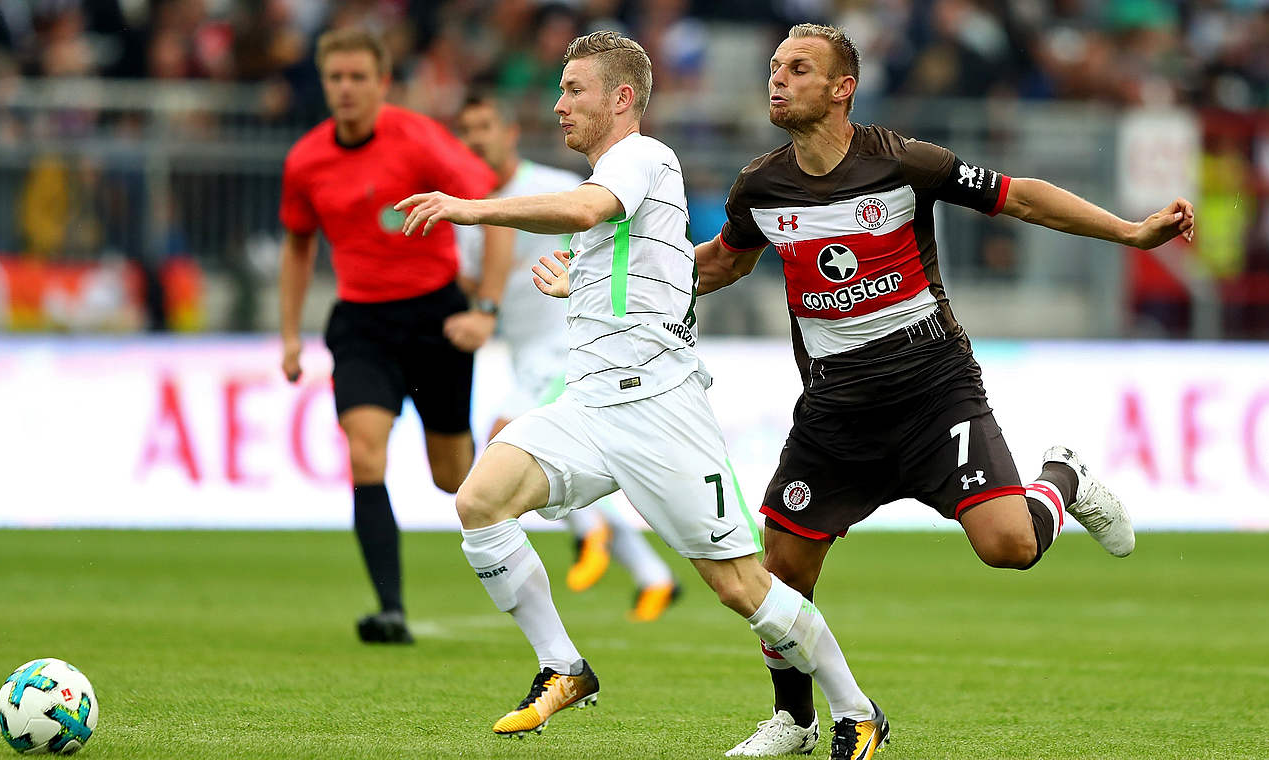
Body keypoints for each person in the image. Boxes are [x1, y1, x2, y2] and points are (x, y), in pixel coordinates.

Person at [694, 23, 1195, 759]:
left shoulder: (903, 163)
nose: (778, 79)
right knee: (782, 572)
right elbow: (724, 265)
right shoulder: (760, 187)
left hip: (934, 392)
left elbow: (1020, 198)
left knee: (1009, 548)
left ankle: (1065, 477)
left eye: (799, 69)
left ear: (842, 89)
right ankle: (795, 720)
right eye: (774, 67)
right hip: (835, 413)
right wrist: (622, 282)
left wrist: (1130, 232)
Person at [396, 31, 886, 757]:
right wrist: (581, 283)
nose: (559, 105)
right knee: (479, 502)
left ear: (621, 99)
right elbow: (644, 267)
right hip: (589, 404)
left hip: (660, 409)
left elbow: (586, 211)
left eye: (574, 90)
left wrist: (472, 208)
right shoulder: (621, 179)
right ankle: (562, 668)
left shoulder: (642, 156)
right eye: (560, 89)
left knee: (742, 588)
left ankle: (856, 709)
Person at [277, 27, 505, 645]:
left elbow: (491, 203)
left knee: (452, 480)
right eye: (335, 78)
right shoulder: (305, 160)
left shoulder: (420, 138)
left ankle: (520, 465)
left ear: (381, 83)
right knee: (363, 453)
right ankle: (390, 609)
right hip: (361, 323)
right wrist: (291, 336)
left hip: (435, 318)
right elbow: (298, 247)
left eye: (358, 78)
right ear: (324, 83)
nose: (346, 89)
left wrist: (485, 306)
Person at [453, 93, 680, 622]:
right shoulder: (476, 205)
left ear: (509, 132)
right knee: (567, 459)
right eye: (466, 130)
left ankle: (591, 531)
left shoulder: (545, 186)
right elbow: (471, 277)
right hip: (525, 353)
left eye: (484, 125)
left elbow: (596, 220)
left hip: (569, 345)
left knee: (504, 439)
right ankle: (653, 575)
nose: (475, 139)